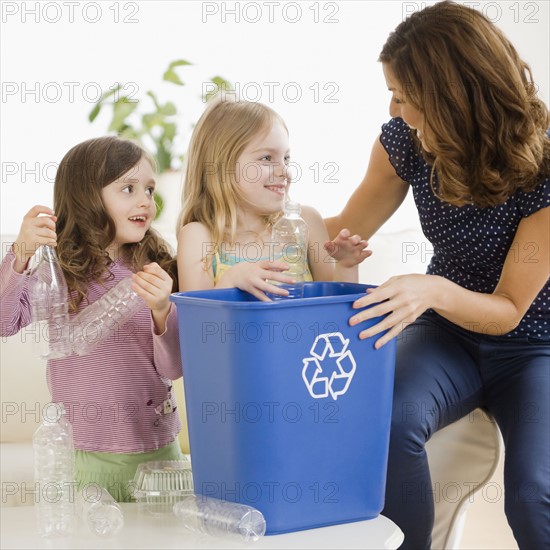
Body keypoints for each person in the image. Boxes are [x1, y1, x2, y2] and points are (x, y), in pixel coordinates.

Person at [325, 2, 549, 548]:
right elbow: (337, 231)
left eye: (403, 93)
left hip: (535, 346)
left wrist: (430, 290)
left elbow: (508, 310)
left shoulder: (545, 166)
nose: (394, 107)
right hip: (447, 335)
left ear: (450, 94)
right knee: (387, 424)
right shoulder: (402, 143)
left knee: (533, 491)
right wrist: (242, 230)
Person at [0, 136, 184, 502]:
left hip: (158, 452)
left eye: (149, 189)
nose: (145, 200)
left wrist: (163, 309)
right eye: (128, 188)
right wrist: (20, 252)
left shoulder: (159, 269)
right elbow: (5, 322)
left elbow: (174, 366)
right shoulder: (60, 272)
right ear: (87, 197)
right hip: (82, 457)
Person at [177, 98, 370, 297]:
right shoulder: (198, 236)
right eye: (267, 158)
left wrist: (345, 266)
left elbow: (335, 307)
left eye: (286, 159)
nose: (284, 171)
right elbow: (198, 322)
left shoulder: (306, 221)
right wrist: (231, 279)